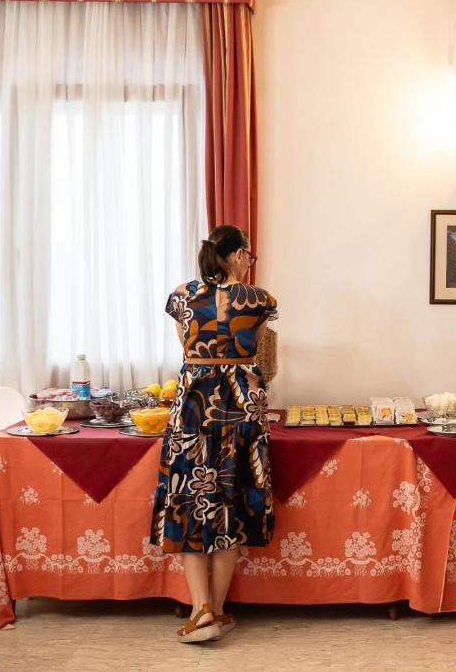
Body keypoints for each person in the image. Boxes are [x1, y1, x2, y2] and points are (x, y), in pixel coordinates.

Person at [150, 225, 277, 643]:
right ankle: (218, 611)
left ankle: (200, 609)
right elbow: (255, 353)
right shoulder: (260, 300)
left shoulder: (182, 296)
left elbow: (187, 352)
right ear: (239, 255)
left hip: (192, 405)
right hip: (241, 406)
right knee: (232, 500)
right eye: (249, 256)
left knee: (190, 499)